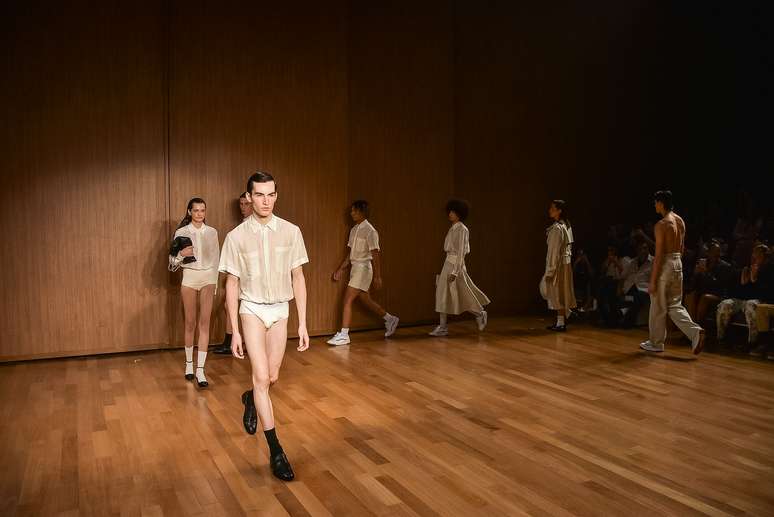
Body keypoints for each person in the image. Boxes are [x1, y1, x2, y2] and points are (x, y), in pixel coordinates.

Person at [219, 171, 310, 481]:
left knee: (270, 377)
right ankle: (276, 451)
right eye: (259, 194)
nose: (265, 200)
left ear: (276, 195)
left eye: (271, 194)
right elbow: (231, 284)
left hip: (280, 310)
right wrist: (234, 330)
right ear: (248, 197)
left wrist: (304, 324)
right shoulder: (236, 237)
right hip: (252, 309)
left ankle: (250, 398)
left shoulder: (291, 231)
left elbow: (298, 278)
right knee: (260, 376)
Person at [640, 190, 705, 354]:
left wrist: (653, 280)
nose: (654, 205)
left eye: (655, 202)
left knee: (658, 305)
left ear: (661, 203)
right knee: (674, 305)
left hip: (666, 263)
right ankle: (695, 332)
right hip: (678, 263)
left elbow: (659, 254)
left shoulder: (661, 225)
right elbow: (682, 248)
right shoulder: (680, 221)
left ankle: (656, 342)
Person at [328, 201, 399, 346]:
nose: (351, 213)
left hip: (363, 269)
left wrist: (378, 276)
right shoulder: (354, 230)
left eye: (354, 211)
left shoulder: (370, 231)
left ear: (362, 212)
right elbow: (350, 254)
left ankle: (344, 334)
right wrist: (340, 269)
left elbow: (376, 254)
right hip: (355, 268)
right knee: (366, 300)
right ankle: (390, 319)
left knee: (347, 300)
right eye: (352, 211)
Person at [169, 198, 219, 387]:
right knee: (190, 322)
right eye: (196, 210)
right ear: (189, 212)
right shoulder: (181, 232)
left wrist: (214, 284)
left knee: (204, 323)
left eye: (202, 210)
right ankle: (189, 364)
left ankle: (201, 370)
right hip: (189, 277)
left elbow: (216, 259)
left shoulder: (212, 232)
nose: (199, 213)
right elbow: (172, 264)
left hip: (208, 278)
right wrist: (181, 255)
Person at [429, 199, 490, 336]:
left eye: (453, 211)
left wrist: (456, 271)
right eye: (449, 211)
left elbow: (461, 252)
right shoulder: (453, 228)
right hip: (448, 263)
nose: (450, 214)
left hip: (456, 265)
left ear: (459, 213)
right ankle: (443, 326)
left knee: (463, 293)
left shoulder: (462, 229)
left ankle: (479, 313)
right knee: (442, 293)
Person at [213, 191, 253, 355]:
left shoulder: (251, 225)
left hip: (247, 275)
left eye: (246, 204)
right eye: (241, 204)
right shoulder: (243, 225)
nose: (243, 207)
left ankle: (233, 341)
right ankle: (233, 340)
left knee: (232, 306)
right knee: (228, 305)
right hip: (240, 273)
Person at [716, 244, 770, 348]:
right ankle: (721, 338)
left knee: (751, 305)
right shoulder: (744, 269)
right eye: (754, 253)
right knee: (724, 305)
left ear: (765, 257)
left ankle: (752, 343)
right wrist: (743, 276)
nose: (755, 257)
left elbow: (764, 292)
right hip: (739, 300)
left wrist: (755, 278)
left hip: (757, 300)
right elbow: (734, 290)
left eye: (759, 255)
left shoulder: (767, 271)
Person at [541, 200, 576, 331]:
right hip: (563, 263)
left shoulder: (558, 228)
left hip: (559, 265)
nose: (550, 210)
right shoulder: (565, 225)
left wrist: (551, 269)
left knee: (557, 293)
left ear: (559, 210)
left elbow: (554, 251)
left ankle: (561, 322)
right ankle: (561, 320)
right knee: (559, 293)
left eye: (553, 208)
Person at [684, 240, 732, 325]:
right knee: (690, 295)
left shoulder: (725, 266)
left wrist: (706, 272)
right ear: (708, 253)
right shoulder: (702, 263)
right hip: (703, 292)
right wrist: (695, 274)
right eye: (714, 251)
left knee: (704, 297)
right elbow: (693, 285)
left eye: (718, 251)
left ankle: (698, 327)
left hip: (718, 295)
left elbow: (719, 285)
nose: (716, 254)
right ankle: (692, 328)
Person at [619, 241, 653, 328]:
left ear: (648, 249)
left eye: (645, 248)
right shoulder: (632, 262)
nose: (642, 251)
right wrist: (619, 289)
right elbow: (623, 276)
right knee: (626, 297)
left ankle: (626, 321)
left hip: (643, 289)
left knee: (637, 297)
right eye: (640, 249)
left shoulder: (654, 262)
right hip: (629, 288)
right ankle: (619, 315)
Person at [596, 245, 625, 327]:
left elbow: (624, 273)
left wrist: (615, 262)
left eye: (612, 251)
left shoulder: (623, 260)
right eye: (609, 252)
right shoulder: (607, 261)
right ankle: (605, 319)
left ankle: (613, 320)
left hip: (617, 282)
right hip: (607, 281)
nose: (610, 254)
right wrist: (607, 263)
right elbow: (602, 271)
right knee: (601, 292)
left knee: (611, 294)